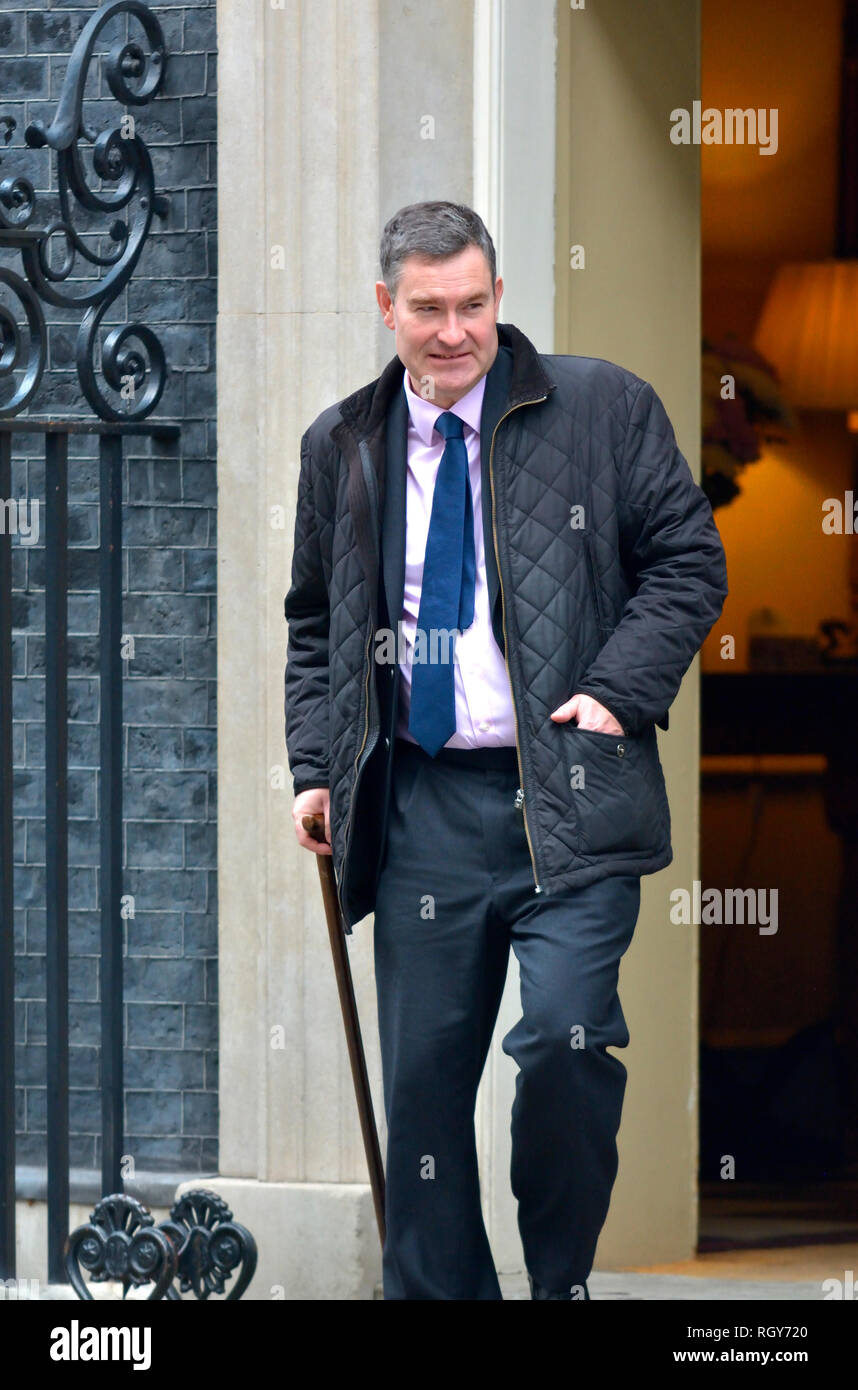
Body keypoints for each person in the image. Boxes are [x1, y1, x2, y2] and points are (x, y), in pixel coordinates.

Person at [284, 200, 728, 1300]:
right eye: (426, 309)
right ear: (387, 307)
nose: (452, 331)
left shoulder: (602, 407)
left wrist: (618, 693)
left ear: (499, 296)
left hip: (568, 795)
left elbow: (687, 559)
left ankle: (559, 1281)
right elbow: (315, 622)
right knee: (426, 1093)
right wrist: (313, 766)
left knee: (568, 1039)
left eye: (472, 305)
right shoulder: (342, 444)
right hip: (421, 804)